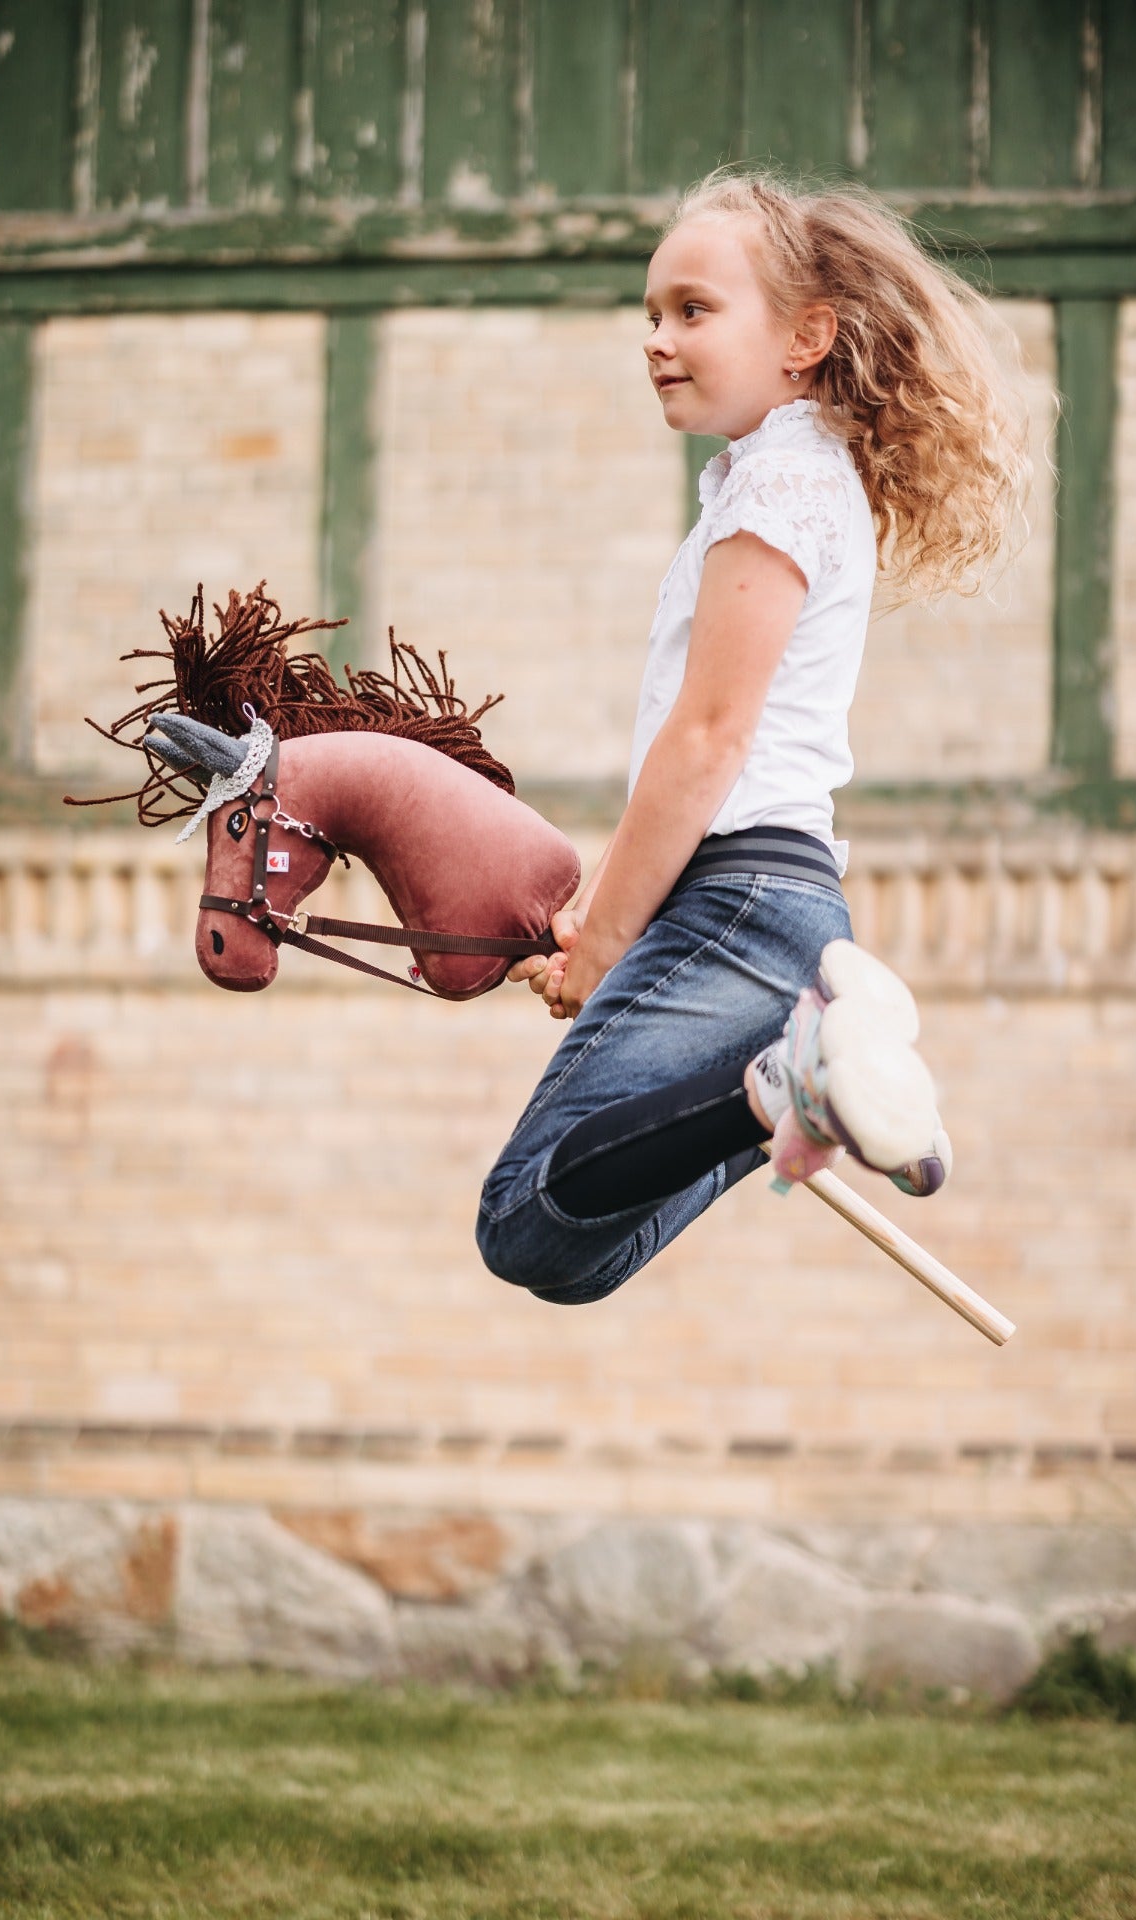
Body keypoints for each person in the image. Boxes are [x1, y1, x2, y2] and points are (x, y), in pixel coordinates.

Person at [476, 170, 1029, 1306]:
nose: (656, 338)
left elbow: (709, 739)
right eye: (649, 314)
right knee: (580, 1253)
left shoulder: (776, 480)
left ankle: (784, 1085)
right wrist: (606, 934)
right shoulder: (798, 476)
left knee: (524, 1216)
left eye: (692, 309)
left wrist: (600, 944)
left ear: (804, 337)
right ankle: (810, 1082)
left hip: (737, 894)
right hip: (785, 908)